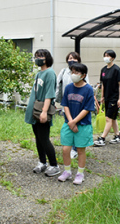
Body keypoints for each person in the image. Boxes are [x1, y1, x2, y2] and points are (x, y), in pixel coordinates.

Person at [58, 63, 95, 185]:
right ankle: (67, 171)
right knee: (65, 149)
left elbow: (87, 109)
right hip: (68, 123)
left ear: (83, 75)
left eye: (76, 72)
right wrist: (70, 121)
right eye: (72, 72)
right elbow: (65, 105)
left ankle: (80, 173)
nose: (73, 75)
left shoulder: (88, 89)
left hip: (83, 124)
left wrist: (74, 122)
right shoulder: (68, 87)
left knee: (80, 150)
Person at [25, 49, 60, 177]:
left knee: (44, 138)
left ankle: (54, 165)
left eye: (41, 56)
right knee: (38, 138)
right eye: (36, 56)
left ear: (47, 58)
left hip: (41, 110)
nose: (38, 58)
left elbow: (49, 95)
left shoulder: (50, 73)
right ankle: (42, 162)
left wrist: (44, 112)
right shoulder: (39, 73)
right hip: (35, 110)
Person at [56, 52, 89, 159]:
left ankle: (75, 149)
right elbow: (58, 84)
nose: (72, 60)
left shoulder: (82, 73)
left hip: (79, 103)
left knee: (77, 125)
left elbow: (86, 85)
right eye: (70, 58)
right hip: (68, 102)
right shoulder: (64, 71)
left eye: (75, 58)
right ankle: (70, 146)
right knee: (69, 123)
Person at [94, 50, 120, 146]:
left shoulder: (116, 69)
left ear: (113, 58)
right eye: (105, 55)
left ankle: (102, 138)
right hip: (106, 97)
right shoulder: (103, 70)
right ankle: (117, 136)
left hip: (114, 97)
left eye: (108, 55)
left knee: (108, 118)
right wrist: (102, 96)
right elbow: (103, 84)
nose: (106, 57)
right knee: (113, 118)